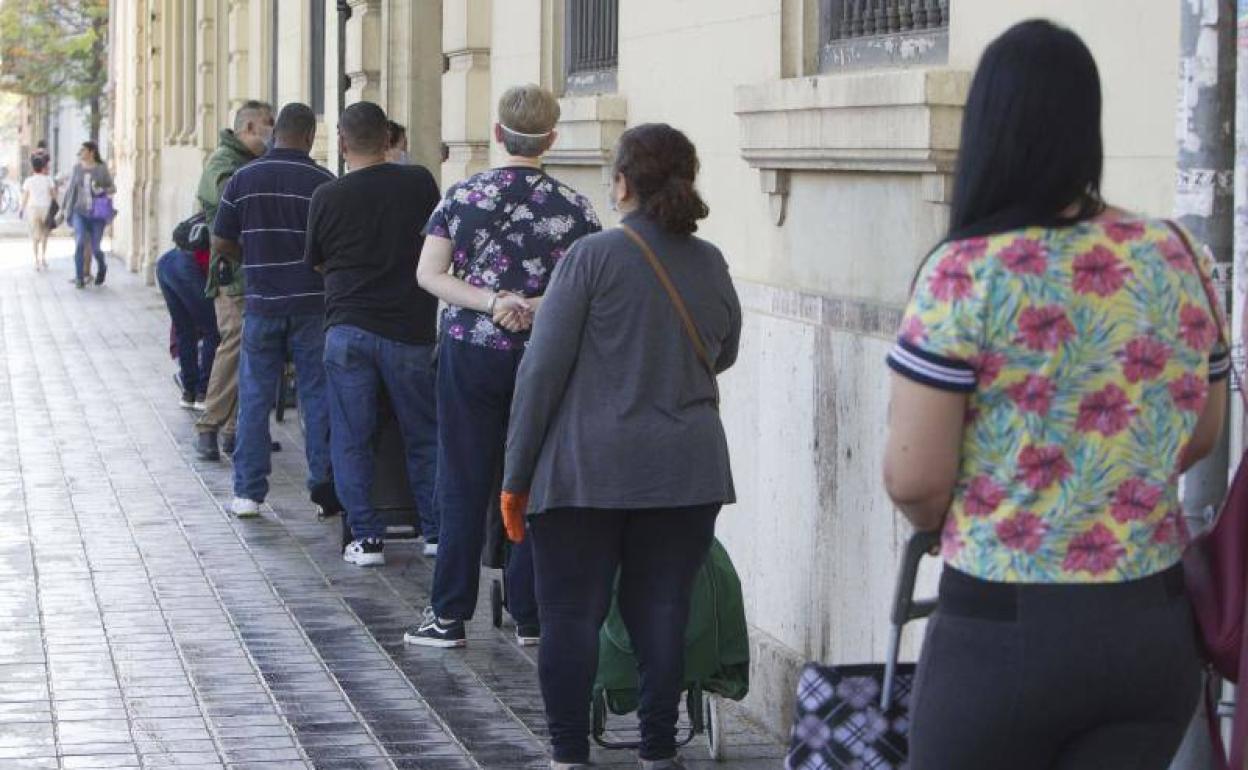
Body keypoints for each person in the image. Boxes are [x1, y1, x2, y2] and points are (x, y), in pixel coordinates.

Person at [881, 21, 1227, 770]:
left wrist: (965, 514)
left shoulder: (965, 272)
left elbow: (915, 477)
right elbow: (1200, 432)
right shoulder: (1178, 254)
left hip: (1003, 628)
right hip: (1151, 630)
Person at [500, 124, 739, 770]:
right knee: (663, 606)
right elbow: (726, 350)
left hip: (585, 472)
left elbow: (540, 374)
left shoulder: (591, 257)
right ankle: (658, 749)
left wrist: (514, 478)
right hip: (687, 472)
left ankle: (570, 755)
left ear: (624, 183)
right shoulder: (711, 260)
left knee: (571, 615)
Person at [406, 83, 600, 649]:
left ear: (497, 134)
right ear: (553, 138)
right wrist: (532, 307)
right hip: (544, 356)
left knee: (463, 478)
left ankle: (447, 616)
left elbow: (429, 274)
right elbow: (584, 289)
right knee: (535, 479)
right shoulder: (576, 207)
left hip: (470, 350)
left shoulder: (461, 198)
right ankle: (531, 612)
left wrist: (493, 303)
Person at [305, 101, 442, 566]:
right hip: (410, 328)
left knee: (351, 434)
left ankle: (365, 537)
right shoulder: (420, 183)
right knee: (424, 432)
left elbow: (318, 261)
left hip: (348, 328)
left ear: (342, 143)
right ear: (388, 140)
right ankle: (435, 529)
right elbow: (438, 241)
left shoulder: (327, 196)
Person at [212, 102, 336, 519]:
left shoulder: (243, 179)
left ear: (274, 133)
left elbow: (222, 241)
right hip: (311, 305)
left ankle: (248, 492)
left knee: (255, 395)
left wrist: (248, 253)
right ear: (309, 137)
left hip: (261, 302)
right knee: (316, 396)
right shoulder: (324, 183)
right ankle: (322, 488)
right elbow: (331, 248)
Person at [195, 100, 274, 461]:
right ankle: (210, 425)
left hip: (252, 273)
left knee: (249, 349)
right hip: (234, 274)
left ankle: (233, 430)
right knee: (235, 345)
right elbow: (235, 210)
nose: (272, 131)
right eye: (267, 124)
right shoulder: (225, 166)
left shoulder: (246, 163)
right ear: (248, 129)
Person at [156, 248, 219, 409]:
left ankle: (189, 392)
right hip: (186, 266)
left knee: (185, 330)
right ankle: (203, 393)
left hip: (165, 263)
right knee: (212, 329)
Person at [61, 141, 114, 288]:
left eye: (83, 150)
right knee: (79, 243)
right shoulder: (77, 168)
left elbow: (112, 188)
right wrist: (64, 209)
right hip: (80, 213)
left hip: (97, 215)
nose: (81, 152)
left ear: (91, 152)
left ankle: (102, 268)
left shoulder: (101, 169)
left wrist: (101, 188)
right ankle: (79, 278)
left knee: (96, 248)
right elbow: (71, 190)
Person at [20, 155, 55, 270]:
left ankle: (36, 261)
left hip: (33, 209)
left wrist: (21, 209)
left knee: (35, 236)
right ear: (43, 167)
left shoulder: (28, 181)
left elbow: (25, 196)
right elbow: (53, 195)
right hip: (45, 208)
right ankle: (44, 258)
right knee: (45, 234)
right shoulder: (48, 180)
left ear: (32, 167)